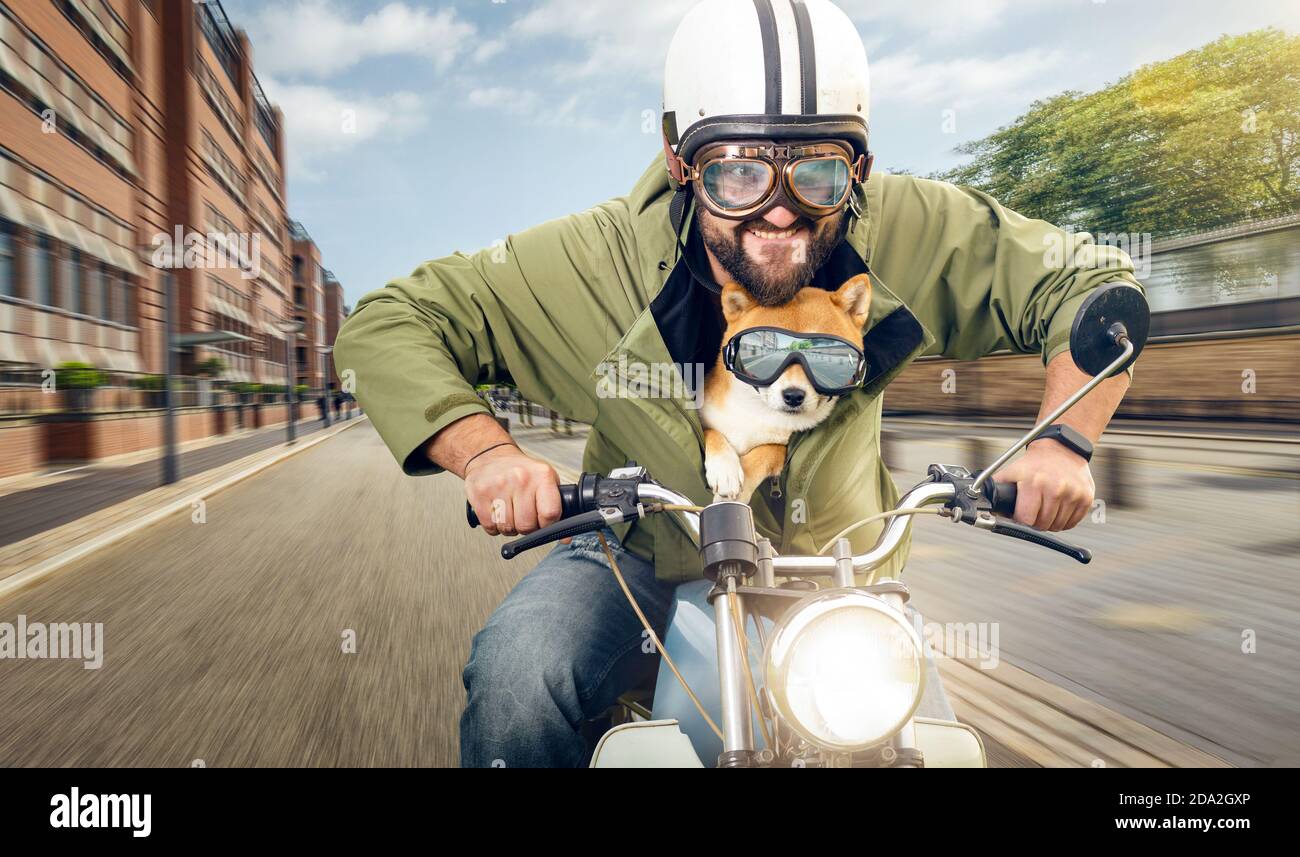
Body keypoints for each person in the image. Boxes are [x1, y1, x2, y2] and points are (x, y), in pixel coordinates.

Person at [334, 0, 1141, 768]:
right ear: (679, 160)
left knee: (929, 735)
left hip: (842, 565)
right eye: (737, 173)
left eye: (818, 172)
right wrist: (486, 455)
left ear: (859, 164)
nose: (782, 211)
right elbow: (386, 325)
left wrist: (1063, 442)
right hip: (644, 547)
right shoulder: (591, 258)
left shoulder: (907, 226)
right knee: (517, 675)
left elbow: (1090, 283)